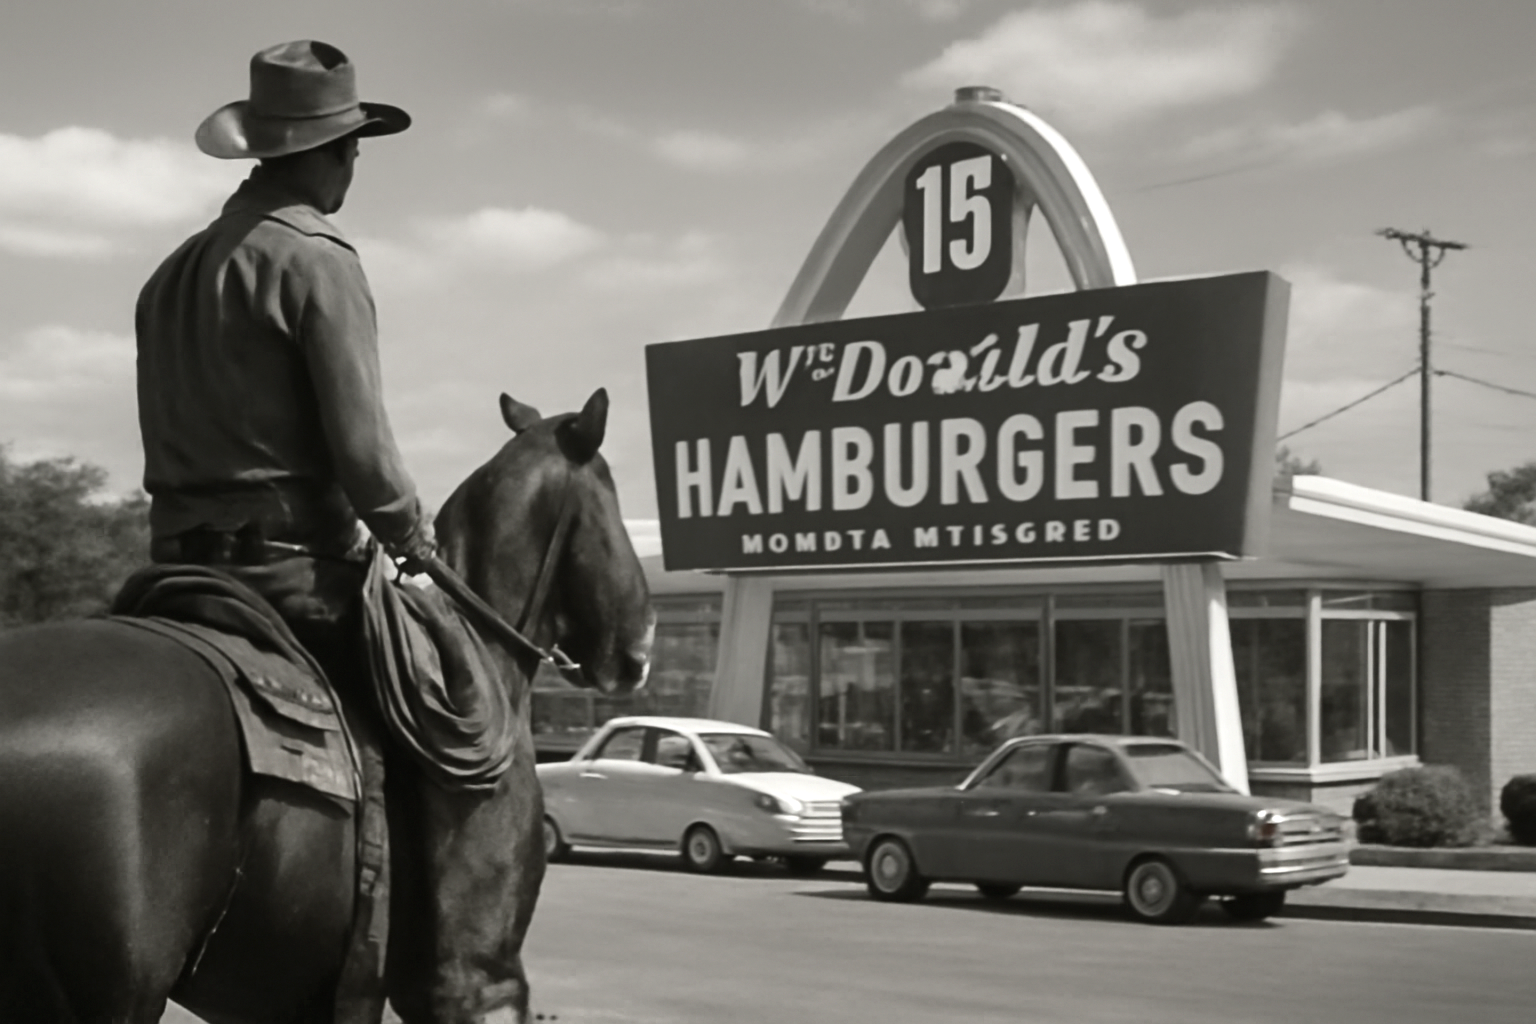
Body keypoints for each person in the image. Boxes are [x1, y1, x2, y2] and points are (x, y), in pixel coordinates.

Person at [136, 39, 435, 672]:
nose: (353, 168)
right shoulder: (318, 258)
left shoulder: (168, 274)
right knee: (451, 700)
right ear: (335, 151)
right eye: (353, 152)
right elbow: (364, 453)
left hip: (172, 570)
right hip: (291, 574)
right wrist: (410, 533)